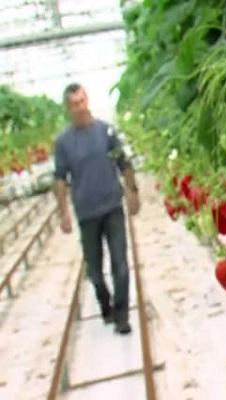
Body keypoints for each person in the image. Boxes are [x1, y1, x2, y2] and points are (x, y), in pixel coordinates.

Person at [53, 83, 140, 334]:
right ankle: (105, 303)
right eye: (74, 104)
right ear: (68, 108)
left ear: (87, 100)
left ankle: (122, 315)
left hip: (112, 206)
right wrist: (63, 213)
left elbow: (123, 162)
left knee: (120, 265)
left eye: (82, 101)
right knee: (94, 271)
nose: (80, 107)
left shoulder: (106, 131)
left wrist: (133, 192)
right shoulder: (64, 143)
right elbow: (59, 178)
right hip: (86, 213)